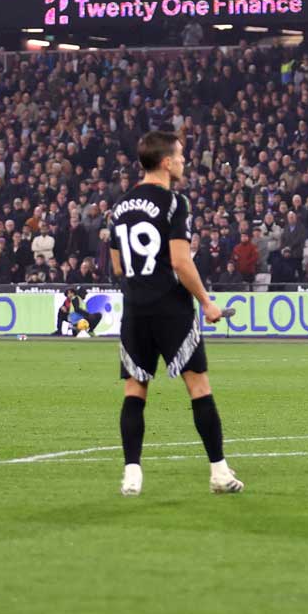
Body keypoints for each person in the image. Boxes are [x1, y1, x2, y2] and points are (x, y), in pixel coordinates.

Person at [107, 130, 242, 497]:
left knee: (135, 390)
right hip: (171, 307)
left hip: (135, 309)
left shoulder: (119, 206)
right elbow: (182, 262)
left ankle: (132, 473)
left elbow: (118, 264)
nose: (184, 161)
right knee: (198, 387)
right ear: (166, 162)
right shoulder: (173, 203)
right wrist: (207, 302)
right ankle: (218, 472)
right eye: (180, 155)